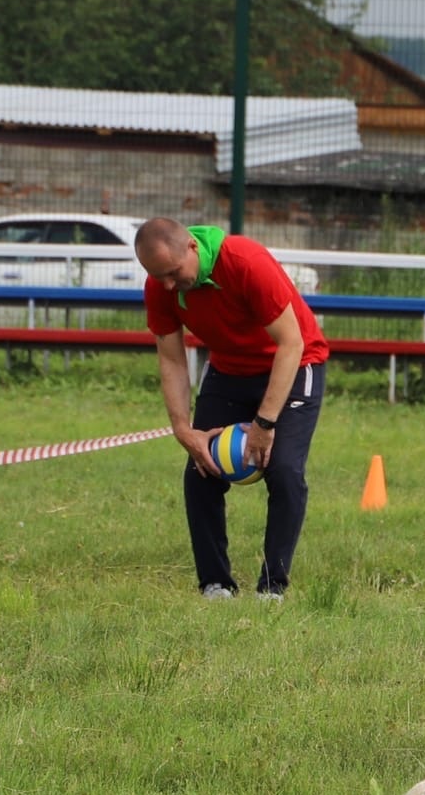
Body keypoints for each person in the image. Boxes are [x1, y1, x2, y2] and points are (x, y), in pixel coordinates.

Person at [136, 217, 329, 600]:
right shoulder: (161, 286)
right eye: (160, 278)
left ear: (192, 247)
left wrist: (265, 422)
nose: (169, 285)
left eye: (174, 273)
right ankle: (215, 584)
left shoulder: (245, 262)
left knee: (284, 469)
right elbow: (172, 360)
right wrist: (182, 428)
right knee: (200, 472)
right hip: (228, 369)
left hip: (296, 362)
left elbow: (290, 343)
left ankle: (272, 587)